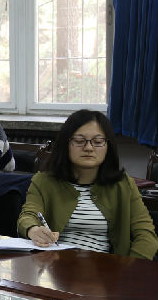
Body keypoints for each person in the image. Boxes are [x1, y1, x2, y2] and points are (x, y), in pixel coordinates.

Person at [18, 109, 157, 259]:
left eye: (98, 142)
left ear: (108, 146)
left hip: (106, 269)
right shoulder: (44, 181)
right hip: (56, 266)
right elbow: (28, 215)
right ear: (66, 144)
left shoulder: (123, 185)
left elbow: (146, 235)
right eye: (79, 141)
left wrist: (130, 269)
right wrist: (33, 229)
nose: (89, 148)